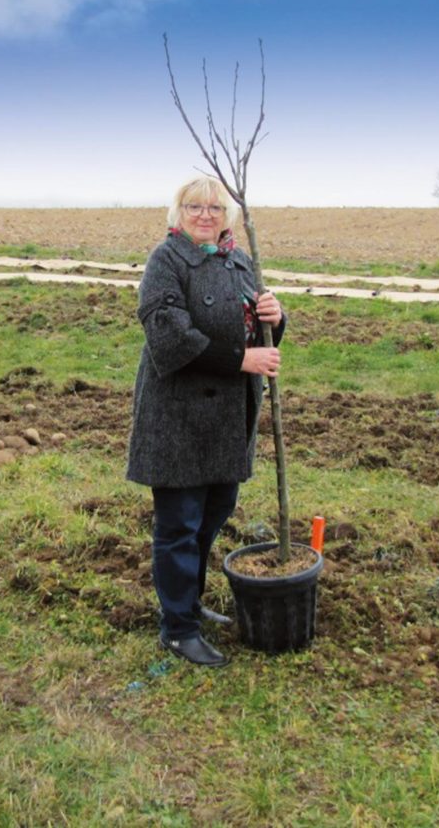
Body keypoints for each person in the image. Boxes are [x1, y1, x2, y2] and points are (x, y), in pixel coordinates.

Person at [126, 175, 285, 667]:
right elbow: (169, 336)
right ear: (179, 211)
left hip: (226, 420)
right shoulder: (166, 261)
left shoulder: (239, 260)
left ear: (228, 216)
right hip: (177, 418)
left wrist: (275, 319)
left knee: (211, 518)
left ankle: (188, 605)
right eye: (194, 206)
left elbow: (258, 332)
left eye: (215, 208)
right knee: (179, 525)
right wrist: (242, 359)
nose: (205, 215)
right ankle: (178, 629)